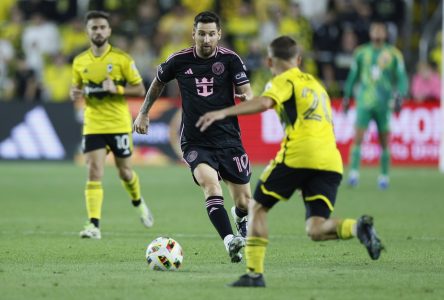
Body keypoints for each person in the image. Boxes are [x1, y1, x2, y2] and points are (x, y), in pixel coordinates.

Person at [196, 36, 384, 287]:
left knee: (256, 207)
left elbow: (264, 102)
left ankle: (254, 274)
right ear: (299, 59)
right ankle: (357, 228)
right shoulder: (317, 85)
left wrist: (223, 112)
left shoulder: (284, 80)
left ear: (270, 61)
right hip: (330, 160)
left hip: (299, 154)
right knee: (316, 228)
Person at [133, 11, 252, 263]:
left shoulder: (231, 60)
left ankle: (240, 217)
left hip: (229, 139)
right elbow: (157, 83)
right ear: (193, 34)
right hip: (196, 141)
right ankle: (230, 241)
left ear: (219, 34)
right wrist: (143, 113)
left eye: (211, 34)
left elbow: (247, 92)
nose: (206, 39)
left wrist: (246, 98)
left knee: (244, 201)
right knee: (211, 186)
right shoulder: (179, 60)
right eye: (201, 34)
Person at [70, 10, 154, 240]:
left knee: (125, 172)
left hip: (118, 124)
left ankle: (138, 202)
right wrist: (74, 92)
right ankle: (93, 225)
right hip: (94, 124)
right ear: (87, 31)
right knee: (94, 171)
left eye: (101, 27)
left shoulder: (122, 59)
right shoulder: (79, 61)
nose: (98, 31)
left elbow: (140, 89)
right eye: (93, 27)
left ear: (109, 30)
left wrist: (116, 89)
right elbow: (77, 88)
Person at [343, 21, 408, 189]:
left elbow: (401, 78)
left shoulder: (394, 54)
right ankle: (354, 174)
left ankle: (384, 176)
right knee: (358, 137)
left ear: (385, 34)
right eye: (375, 29)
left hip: (384, 103)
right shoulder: (361, 53)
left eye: (381, 30)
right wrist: (347, 96)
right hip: (364, 101)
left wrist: (400, 95)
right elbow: (352, 77)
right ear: (371, 33)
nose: (378, 33)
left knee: (385, 140)